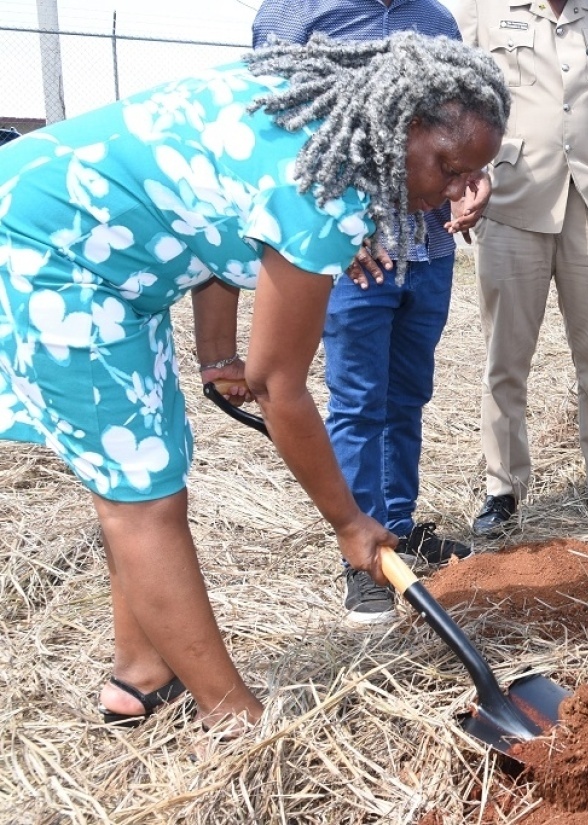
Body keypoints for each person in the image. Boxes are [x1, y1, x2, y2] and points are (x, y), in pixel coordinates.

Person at [0, 34, 508, 732]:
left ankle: (139, 672)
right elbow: (280, 386)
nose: (453, 192)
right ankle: (232, 718)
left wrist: (214, 355)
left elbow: (215, 211)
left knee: (150, 462)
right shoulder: (324, 188)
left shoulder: (315, 118)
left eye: (472, 175)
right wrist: (349, 522)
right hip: (47, 251)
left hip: (106, 263)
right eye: (448, 166)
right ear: (401, 124)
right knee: (142, 493)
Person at [253, 0, 478, 625]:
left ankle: (397, 531)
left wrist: (471, 181)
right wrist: (333, 232)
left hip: (427, 247)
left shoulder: (435, 20)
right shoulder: (298, 13)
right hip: (350, 255)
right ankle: (364, 559)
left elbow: (455, 129)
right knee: (357, 402)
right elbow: (274, 129)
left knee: (407, 397)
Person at [452, 0, 588, 535]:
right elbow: (445, 91)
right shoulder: (483, 8)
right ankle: (503, 489)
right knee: (505, 362)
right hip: (512, 202)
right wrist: (462, 174)